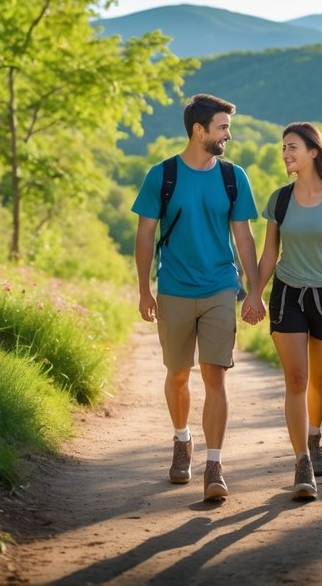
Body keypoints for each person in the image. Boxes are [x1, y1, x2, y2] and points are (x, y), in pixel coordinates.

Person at [132, 93, 265, 501]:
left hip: (220, 287)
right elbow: (145, 235)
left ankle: (215, 464)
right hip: (173, 287)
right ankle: (181, 439)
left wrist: (256, 290)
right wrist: (144, 290)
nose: (229, 134)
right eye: (223, 127)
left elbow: (243, 234)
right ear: (199, 130)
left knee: (216, 375)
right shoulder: (162, 175)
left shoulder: (233, 176)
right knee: (177, 374)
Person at [254, 122, 322, 501]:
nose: (285, 154)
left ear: (314, 151)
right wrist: (254, 293)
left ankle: (315, 437)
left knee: (319, 380)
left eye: (292, 147)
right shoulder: (279, 200)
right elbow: (269, 255)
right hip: (288, 295)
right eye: (283, 147)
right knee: (297, 380)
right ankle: (301, 462)